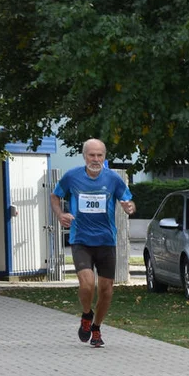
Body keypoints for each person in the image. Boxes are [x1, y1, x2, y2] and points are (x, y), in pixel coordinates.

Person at [50, 138, 136, 348]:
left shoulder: (113, 179)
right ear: (84, 156)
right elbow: (54, 196)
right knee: (87, 284)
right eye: (92, 155)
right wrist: (60, 214)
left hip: (106, 241)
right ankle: (87, 314)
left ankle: (96, 327)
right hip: (81, 239)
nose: (95, 159)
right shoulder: (72, 177)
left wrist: (129, 208)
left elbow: (128, 201)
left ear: (104, 157)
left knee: (106, 290)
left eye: (99, 155)